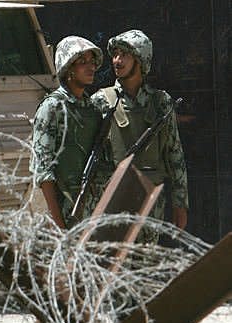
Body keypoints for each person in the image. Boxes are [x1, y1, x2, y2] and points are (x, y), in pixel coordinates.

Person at [92, 29, 188, 230]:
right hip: (113, 204)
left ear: (141, 60)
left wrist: (180, 203)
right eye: (115, 54)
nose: (117, 60)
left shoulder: (160, 103)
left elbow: (174, 155)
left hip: (150, 203)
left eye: (124, 55)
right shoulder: (101, 102)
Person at [31, 36, 113, 229]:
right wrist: (59, 226)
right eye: (82, 62)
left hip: (94, 213)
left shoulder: (92, 109)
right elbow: (43, 172)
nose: (90, 67)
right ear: (68, 68)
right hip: (66, 213)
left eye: (92, 62)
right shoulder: (53, 108)